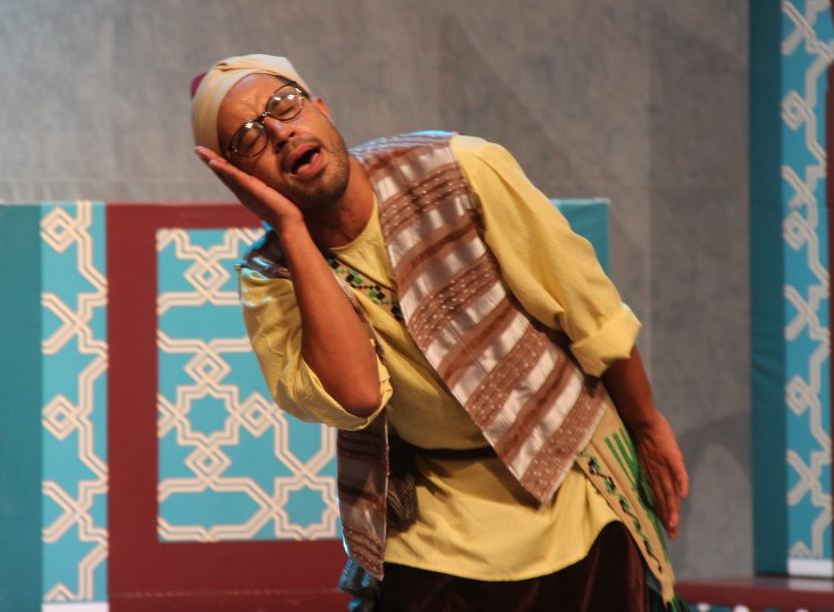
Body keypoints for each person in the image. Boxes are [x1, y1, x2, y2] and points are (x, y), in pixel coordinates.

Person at [189, 54, 690, 612]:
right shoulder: (273, 278)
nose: (280, 132)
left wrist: (647, 423)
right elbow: (357, 394)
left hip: (570, 477)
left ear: (321, 108)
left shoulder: (457, 167)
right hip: (435, 517)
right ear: (238, 180)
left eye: (285, 105)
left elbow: (590, 311)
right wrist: (290, 228)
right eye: (249, 138)